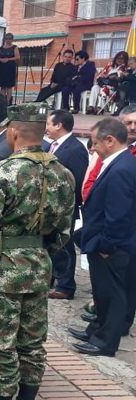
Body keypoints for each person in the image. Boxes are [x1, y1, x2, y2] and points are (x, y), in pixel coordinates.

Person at [0, 103, 75, 400]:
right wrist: (37, 254)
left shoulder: (3, 173)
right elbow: (64, 229)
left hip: (0, 275)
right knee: (32, 342)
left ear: (14, 131)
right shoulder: (63, 174)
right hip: (38, 270)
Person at [69, 118, 136, 357]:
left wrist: (107, 245)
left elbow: (118, 214)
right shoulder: (117, 162)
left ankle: (105, 342)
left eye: (96, 142)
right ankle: (96, 329)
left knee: (113, 295)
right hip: (102, 240)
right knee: (101, 291)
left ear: (110, 140)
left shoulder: (122, 168)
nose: (93, 147)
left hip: (111, 245)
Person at [43, 110, 88, 301]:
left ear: (58, 125)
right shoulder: (52, 146)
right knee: (50, 244)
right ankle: (53, 277)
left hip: (65, 209)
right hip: (49, 208)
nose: (46, 127)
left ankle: (67, 285)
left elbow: (77, 182)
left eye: (49, 124)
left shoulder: (75, 149)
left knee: (64, 246)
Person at [0, 33, 20, 105]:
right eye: (6, 39)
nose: (8, 40)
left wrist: (9, 59)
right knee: (2, 86)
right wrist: (2, 60)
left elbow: (18, 57)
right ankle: (3, 100)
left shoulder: (14, 47)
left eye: (9, 39)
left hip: (10, 67)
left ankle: (8, 101)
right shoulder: (1, 48)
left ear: (12, 39)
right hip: (2, 67)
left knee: (9, 86)